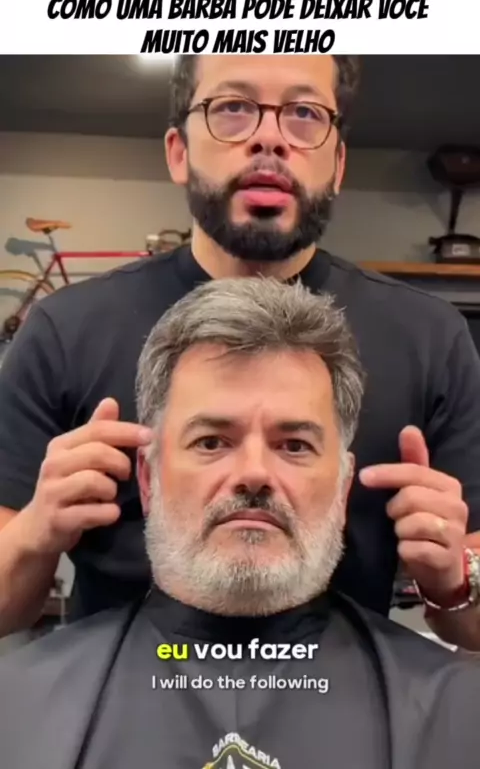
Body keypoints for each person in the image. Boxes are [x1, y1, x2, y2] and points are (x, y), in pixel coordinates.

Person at [0, 54, 480, 650]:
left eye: (305, 113)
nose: (270, 138)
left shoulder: (430, 339)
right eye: (232, 108)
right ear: (179, 151)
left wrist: (453, 580)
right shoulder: (64, 331)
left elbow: (472, 623)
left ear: (338, 163)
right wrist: (35, 535)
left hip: (353, 703)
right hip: (118, 703)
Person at [1, 277, 480, 769]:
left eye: (294, 445)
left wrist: (457, 584)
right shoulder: (17, 708)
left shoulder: (457, 711)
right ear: (147, 478)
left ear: (342, 488)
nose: (254, 473)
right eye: (212, 442)